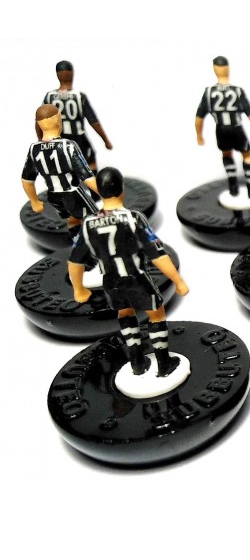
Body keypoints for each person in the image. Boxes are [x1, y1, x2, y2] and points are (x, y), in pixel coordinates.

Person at [68, 167, 189, 377]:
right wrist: (178, 281)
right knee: (156, 313)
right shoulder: (133, 218)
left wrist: (78, 289)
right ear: (122, 190)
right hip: (135, 278)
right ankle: (163, 363)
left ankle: (137, 362)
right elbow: (157, 254)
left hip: (111, 282)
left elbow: (75, 261)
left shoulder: (88, 224)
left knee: (124, 313)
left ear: (99, 191)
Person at [23, 104, 100, 240]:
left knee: (72, 219)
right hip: (72, 193)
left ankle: (77, 242)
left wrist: (34, 201)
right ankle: (93, 247)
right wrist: (105, 194)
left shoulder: (34, 149)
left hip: (54, 196)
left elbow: (26, 180)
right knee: (95, 219)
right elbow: (87, 177)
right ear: (58, 120)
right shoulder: (67, 146)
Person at [195, 56, 250, 197]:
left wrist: (199, 135)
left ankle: (233, 186)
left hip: (221, 129)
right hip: (236, 128)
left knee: (226, 154)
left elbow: (199, 117)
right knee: (247, 154)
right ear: (228, 69)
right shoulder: (237, 91)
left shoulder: (209, 92)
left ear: (215, 70)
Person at [40, 60, 113, 172]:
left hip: (58, 140)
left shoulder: (50, 96)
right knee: (90, 165)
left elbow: (40, 120)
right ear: (72, 74)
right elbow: (93, 121)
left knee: (60, 167)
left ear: (57, 74)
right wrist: (106, 141)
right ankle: (92, 182)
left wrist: (41, 140)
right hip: (78, 140)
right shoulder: (79, 96)